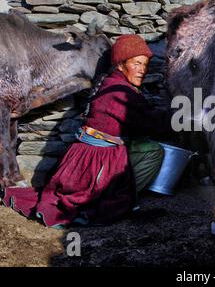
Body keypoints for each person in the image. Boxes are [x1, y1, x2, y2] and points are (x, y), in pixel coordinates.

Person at [0, 34, 171, 228]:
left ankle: (117, 193)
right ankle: (114, 198)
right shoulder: (121, 93)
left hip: (82, 159)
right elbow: (152, 123)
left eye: (145, 64)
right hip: (95, 161)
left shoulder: (111, 84)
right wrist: (176, 113)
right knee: (154, 152)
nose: (143, 70)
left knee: (141, 147)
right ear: (121, 64)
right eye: (137, 63)